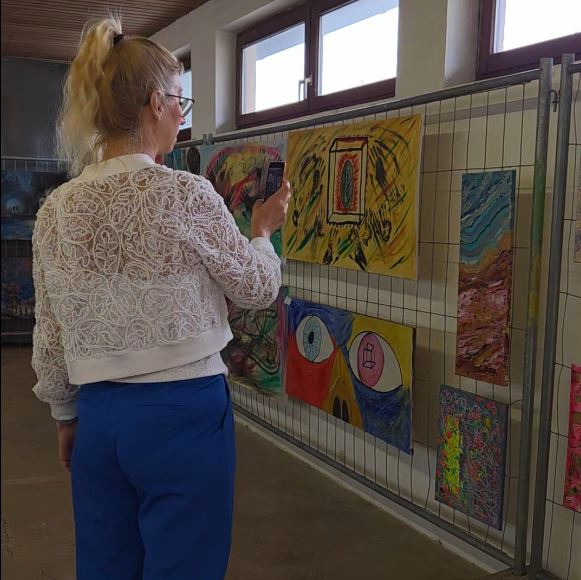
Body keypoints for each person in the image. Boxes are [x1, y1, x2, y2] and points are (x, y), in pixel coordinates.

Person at [31, 16, 291, 580]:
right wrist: (263, 234)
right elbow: (255, 287)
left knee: (105, 566)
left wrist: (65, 415)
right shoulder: (187, 194)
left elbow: (50, 331)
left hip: (100, 418)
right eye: (179, 101)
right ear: (155, 103)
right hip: (184, 414)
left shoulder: (57, 210)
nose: (181, 115)